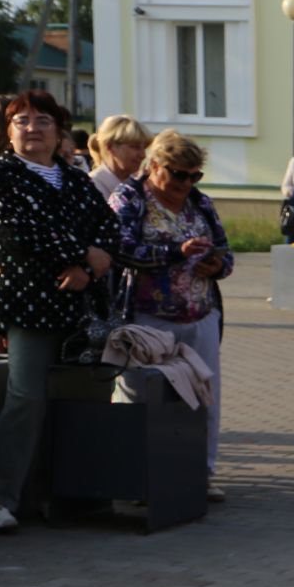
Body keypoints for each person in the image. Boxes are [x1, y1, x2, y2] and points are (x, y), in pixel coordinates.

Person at [0, 90, 116, 532]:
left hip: (79, 308)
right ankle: (4, 497)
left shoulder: (74, 178)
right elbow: (16, 231)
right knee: (25, 398)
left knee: (77, 400)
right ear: (8, 131)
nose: (33, 128)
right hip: (28, 302)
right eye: (22, 120)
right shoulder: (4, 176)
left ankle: (67, 497)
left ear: (59, 129)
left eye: (42, 120)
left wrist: (91, 261)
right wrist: (85, 256)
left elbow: (109, 226)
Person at [108, 129, 234, 500]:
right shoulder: (129, 198)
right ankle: (135, 480)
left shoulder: (201, 203)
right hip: (146, 319)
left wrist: (216, 264)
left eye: (194, 175)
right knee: (139, 400)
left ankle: (199, 474)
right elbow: (121, 249)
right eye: (178, 174)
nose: (186, 182)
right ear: (154, 165)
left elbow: (226, 252)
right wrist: (177, 251)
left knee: (203, 396)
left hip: (200, 314)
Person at [89, 115, 152, 198]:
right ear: (110, 147)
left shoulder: (143, 185)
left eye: (145, 147)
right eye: (135, 146)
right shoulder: (92, 186)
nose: (143, 155)